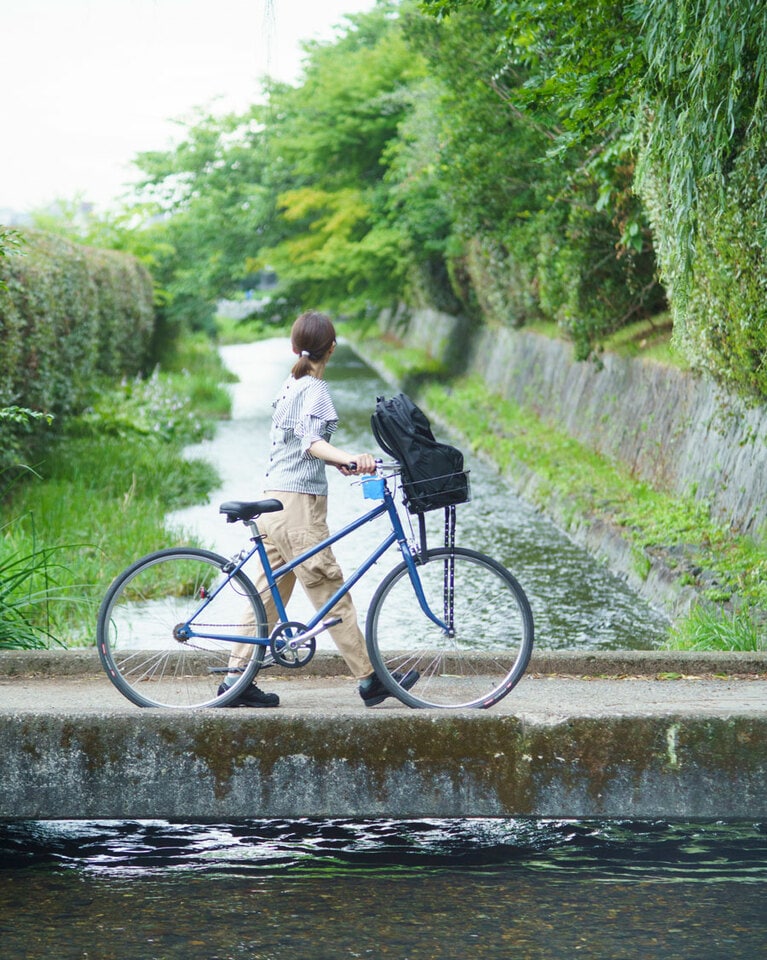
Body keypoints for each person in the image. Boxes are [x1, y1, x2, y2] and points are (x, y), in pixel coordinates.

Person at [218, 310, 418, 708]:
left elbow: (300, 447)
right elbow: (311, 442)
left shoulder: (290, 384)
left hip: (273, 501)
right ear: (333, 348)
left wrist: (337, 463)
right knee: (330, 586)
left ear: (295, 347)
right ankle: (369, 679)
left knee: (267, 596)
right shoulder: (314, 389)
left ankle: (234, 683)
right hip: (297, 508)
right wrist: (350, 457)